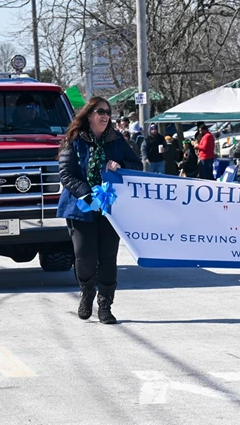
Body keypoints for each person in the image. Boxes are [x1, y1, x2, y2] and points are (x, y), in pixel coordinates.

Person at [57, 96, 142, 324]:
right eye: (100, 111)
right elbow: (66, 175)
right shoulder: (74, 140)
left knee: (107, 257)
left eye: (108, 112)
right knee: (85, 257)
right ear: (89, 115)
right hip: (80, 206)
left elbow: (137, 165)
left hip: (109, 208)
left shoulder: (116, 140)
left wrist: (120, 166)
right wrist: (88, 194)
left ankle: (105, 306)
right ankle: (87, 292)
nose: (105, 116)